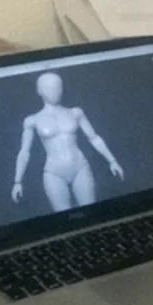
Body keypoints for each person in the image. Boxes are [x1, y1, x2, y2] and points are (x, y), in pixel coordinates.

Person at [12, 71, 125, 211]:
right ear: (39, 91)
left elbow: (94, 137)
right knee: (63, 216)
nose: (55, 91)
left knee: (91, 212)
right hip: (53, 172)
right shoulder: (32, 120)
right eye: (49, 87)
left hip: (79, 167)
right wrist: (18, 181)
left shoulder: (75, 112)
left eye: (58, 87)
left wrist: (112, 161)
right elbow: (24, 152)